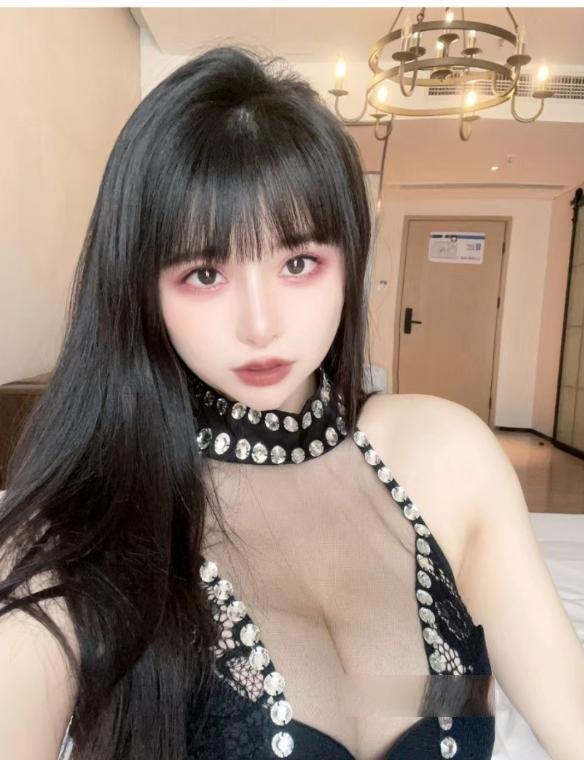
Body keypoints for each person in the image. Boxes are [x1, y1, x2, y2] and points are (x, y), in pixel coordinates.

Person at [1, 44, 583, 760]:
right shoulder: (79, 527)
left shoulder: (444, 455)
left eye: (299, 262)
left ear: (349, 263)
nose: (261, 324)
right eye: (205, 273)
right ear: (139, 284)